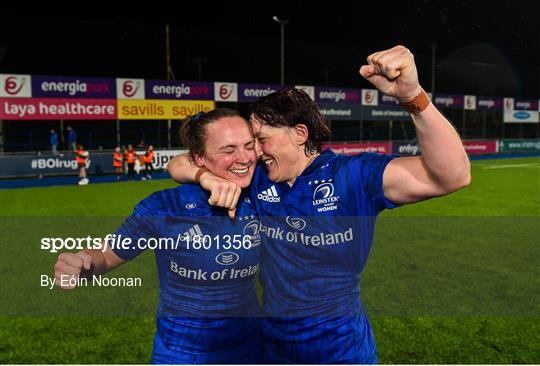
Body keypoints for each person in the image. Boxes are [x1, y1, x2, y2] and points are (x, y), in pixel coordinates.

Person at [167, 45, 471, 363]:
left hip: (343, 352)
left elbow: (453, 176)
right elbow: (178, 164)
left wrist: (414, 98)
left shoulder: (353, 175)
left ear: (299, 133)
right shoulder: (256, 179)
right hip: (273, 350)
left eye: (261, 139)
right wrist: (207, 177)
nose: (253, 152)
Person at [53, 108, 262, 364]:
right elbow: (108, 255)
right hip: (181, 353)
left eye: (249, 146)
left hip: (252, 347)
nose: (244, 158)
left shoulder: (262, 194)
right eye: (228, 150)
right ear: (199, 157)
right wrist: (82, 264)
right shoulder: (164, 207)